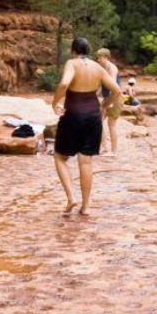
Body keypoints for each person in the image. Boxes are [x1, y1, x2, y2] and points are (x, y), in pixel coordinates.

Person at [52, 36, 123, 217]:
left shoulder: (72, 63)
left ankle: (70, 197)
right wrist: (104, 105)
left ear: (73, 51)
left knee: (60, 157)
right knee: (86, 161)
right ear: (88, 51)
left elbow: (64, 83)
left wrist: (55, 102)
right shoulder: (97, 67)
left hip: (73, 114)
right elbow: (117, 90)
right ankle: (86, 206)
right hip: (92, 116)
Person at [95, 47, 122, 155]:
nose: (98, 60)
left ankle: (114, 151)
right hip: (107, 99)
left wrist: (108, 104)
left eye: (100, 58)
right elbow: (103, 87)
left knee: (111, 125)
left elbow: (114, 86)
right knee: (98, 122)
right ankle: (104, 147)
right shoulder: (103, 69)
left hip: (115, 98)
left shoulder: (112, 68)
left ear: (106, 57)